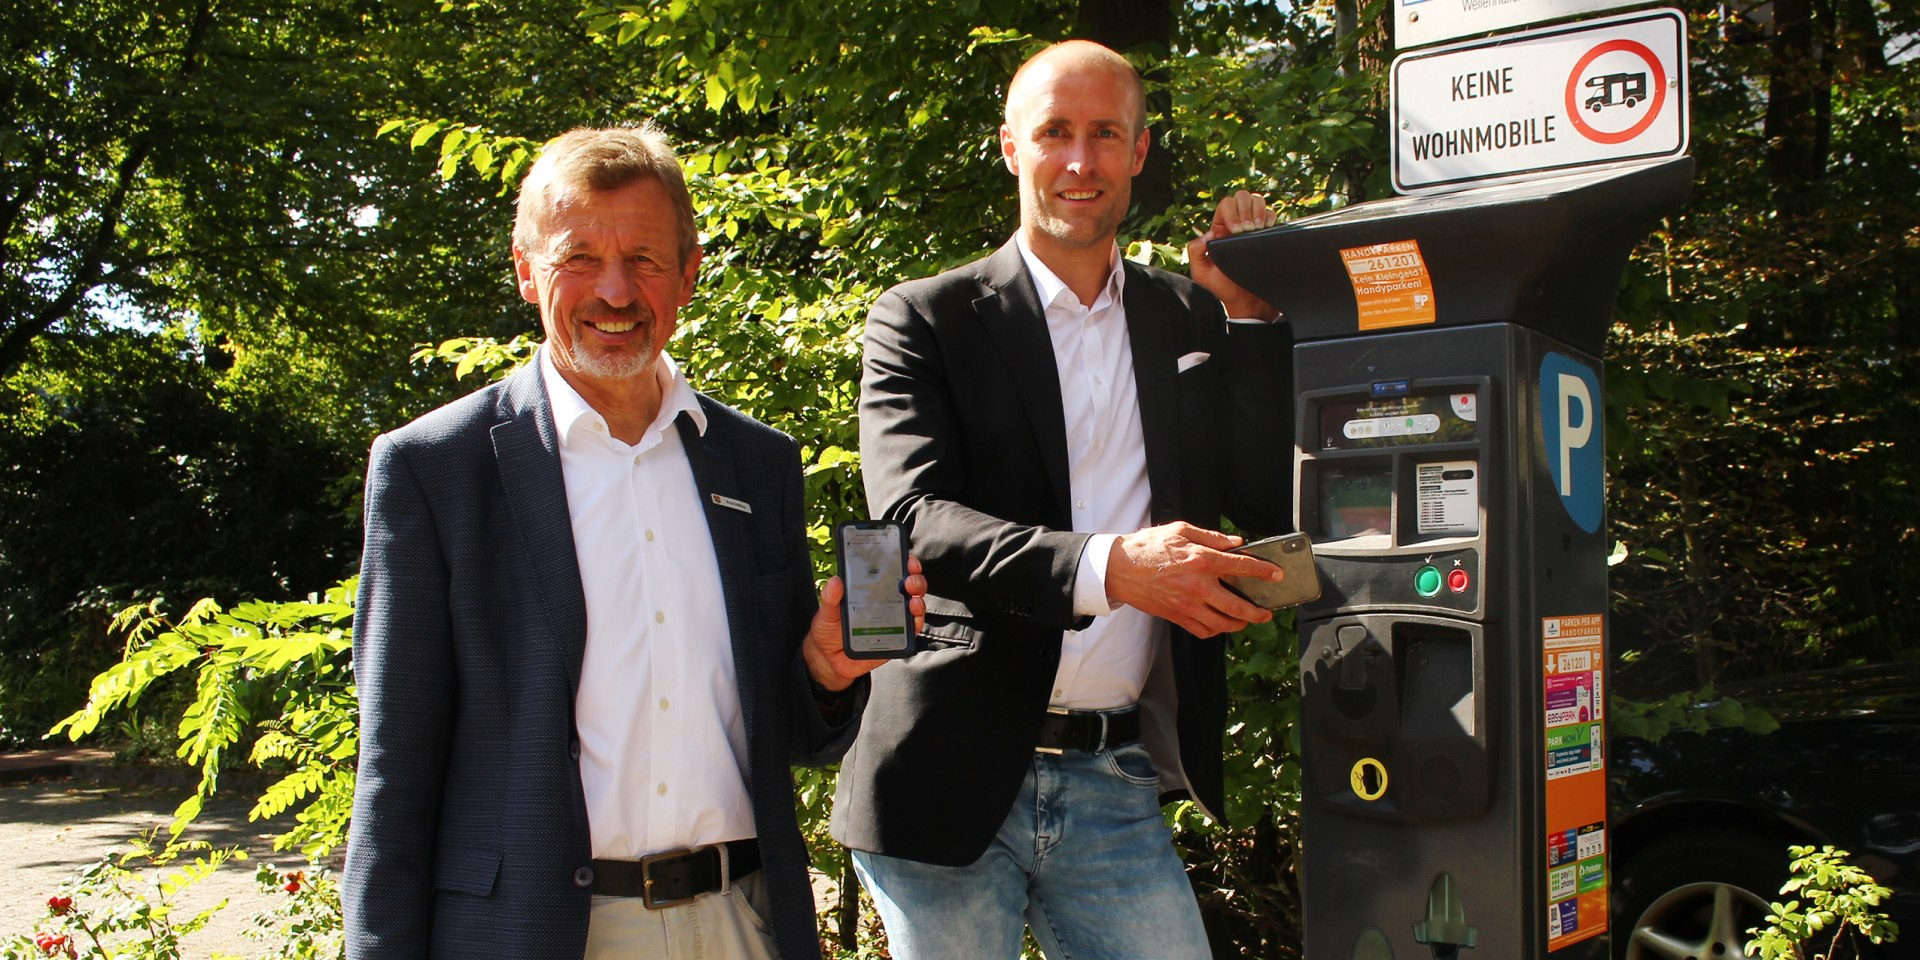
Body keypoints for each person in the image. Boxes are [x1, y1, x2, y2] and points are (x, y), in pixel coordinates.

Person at [344, 125, 924, 960]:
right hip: (540, 935)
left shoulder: (758, 463)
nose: (614, 292)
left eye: (646, 261)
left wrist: (828, 674)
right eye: (579, 257)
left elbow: (791, 734)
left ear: (688, 274)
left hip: (741, 922)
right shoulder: (438, 470)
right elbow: (393, 770)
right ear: (525, 268)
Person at [831, 40, 1295, 959]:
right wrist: (1114, 567)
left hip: (1115, 780)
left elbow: (1261, 492)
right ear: (1011, 147)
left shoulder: (1188, 317)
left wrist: (1248, 317)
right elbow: (915, 517)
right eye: (1054, 133)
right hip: (947, 776)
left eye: (1103, 134)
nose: (1079, 162)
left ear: (1139, 151)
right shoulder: (924, 318)